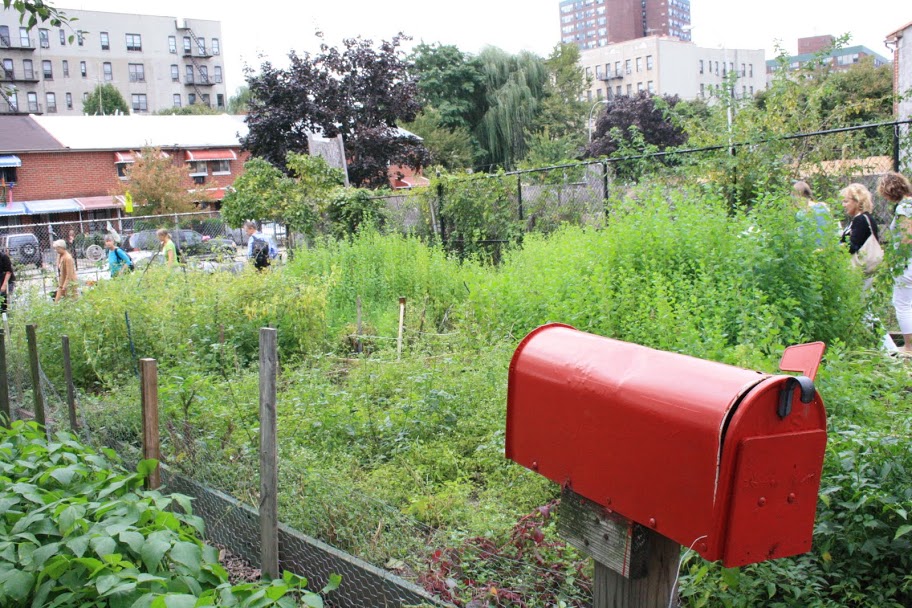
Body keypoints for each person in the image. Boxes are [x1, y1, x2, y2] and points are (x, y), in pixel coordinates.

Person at [877, 172, 912, 356]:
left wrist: (895, 258)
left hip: (906, 263)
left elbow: (907, 237)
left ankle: (909, 347)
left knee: (902, 303)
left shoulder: (904, 207)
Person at [840, 183, 881, 289]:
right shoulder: (866, 218)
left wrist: (835, 247)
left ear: (857, 201)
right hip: (865, 271)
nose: (843, 205)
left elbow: (852, 246)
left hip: (858, 270)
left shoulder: (860, 220)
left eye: (846, 201)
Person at [0, 249, 14, 314]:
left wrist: (4, 285)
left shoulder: (3, 257)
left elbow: (9, 271)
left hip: (5, 281)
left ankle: (5, 315)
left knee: (3, 298)